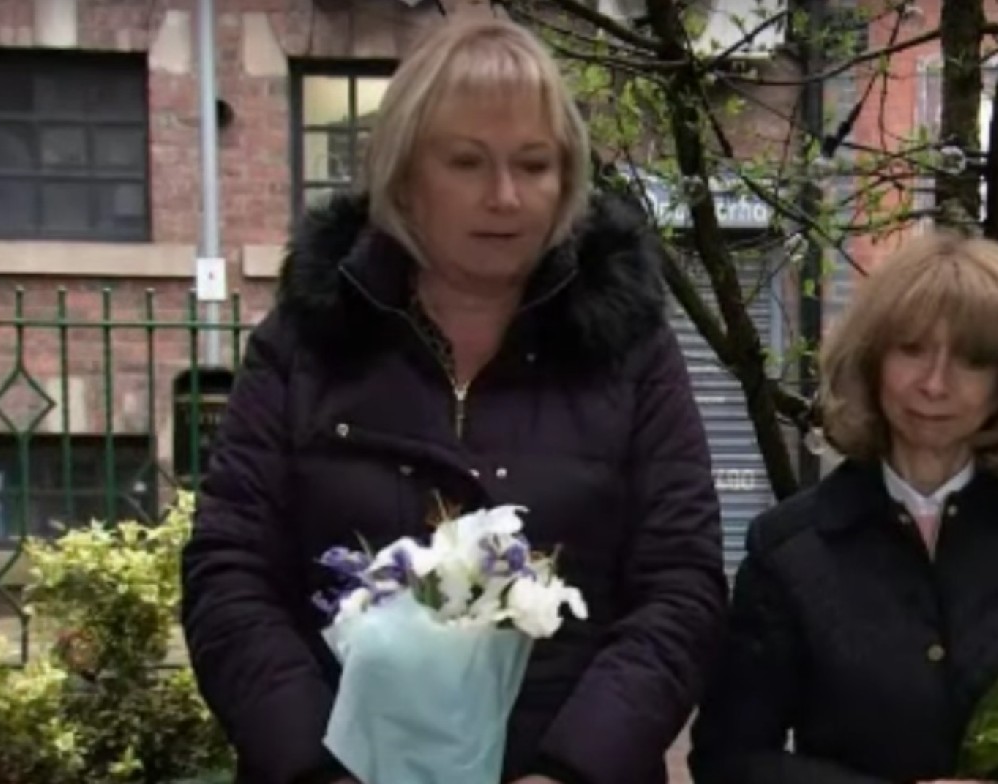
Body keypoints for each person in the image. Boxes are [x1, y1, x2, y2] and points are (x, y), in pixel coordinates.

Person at [180, 11, 727, 784]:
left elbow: (681, 585)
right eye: (467, 163)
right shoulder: (304, 339)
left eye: (534, 165)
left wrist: (574, 771)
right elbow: (229, 574)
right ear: (404, 175)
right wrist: (316, 765)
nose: (505, 197)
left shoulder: (630, 348)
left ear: (567, 177)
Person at [686, 232, 998, 784]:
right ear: (872, 359)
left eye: (972, 360)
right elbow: (729, 760)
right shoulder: (790, 549)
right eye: (912, 350)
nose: (935, 385)